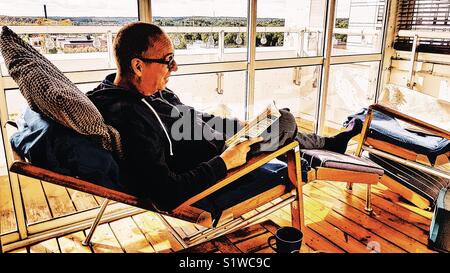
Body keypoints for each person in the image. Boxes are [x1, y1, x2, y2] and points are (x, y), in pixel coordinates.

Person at [86, 22, 362, 216]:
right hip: (222, 159)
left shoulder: (139, 89)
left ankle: (327, 143)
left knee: (271, 120)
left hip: (214, 135)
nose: (175, 67)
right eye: (168, 60)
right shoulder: (129, 116)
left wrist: (225, 124)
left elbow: (183, 118)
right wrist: (224, 162)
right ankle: (316, 146)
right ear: (137, 65)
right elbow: (166, 192)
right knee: (286, 121)